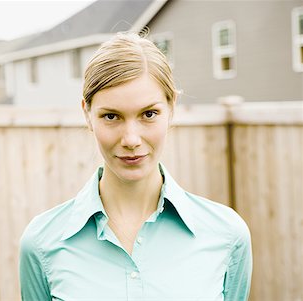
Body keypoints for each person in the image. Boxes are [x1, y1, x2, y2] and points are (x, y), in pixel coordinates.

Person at [19, 32, 252, 301]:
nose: (131, 139)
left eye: (149, 114)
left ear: (171, 108)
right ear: (87, 113)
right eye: (111, 116)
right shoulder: (41, 243)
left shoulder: (228, 235)